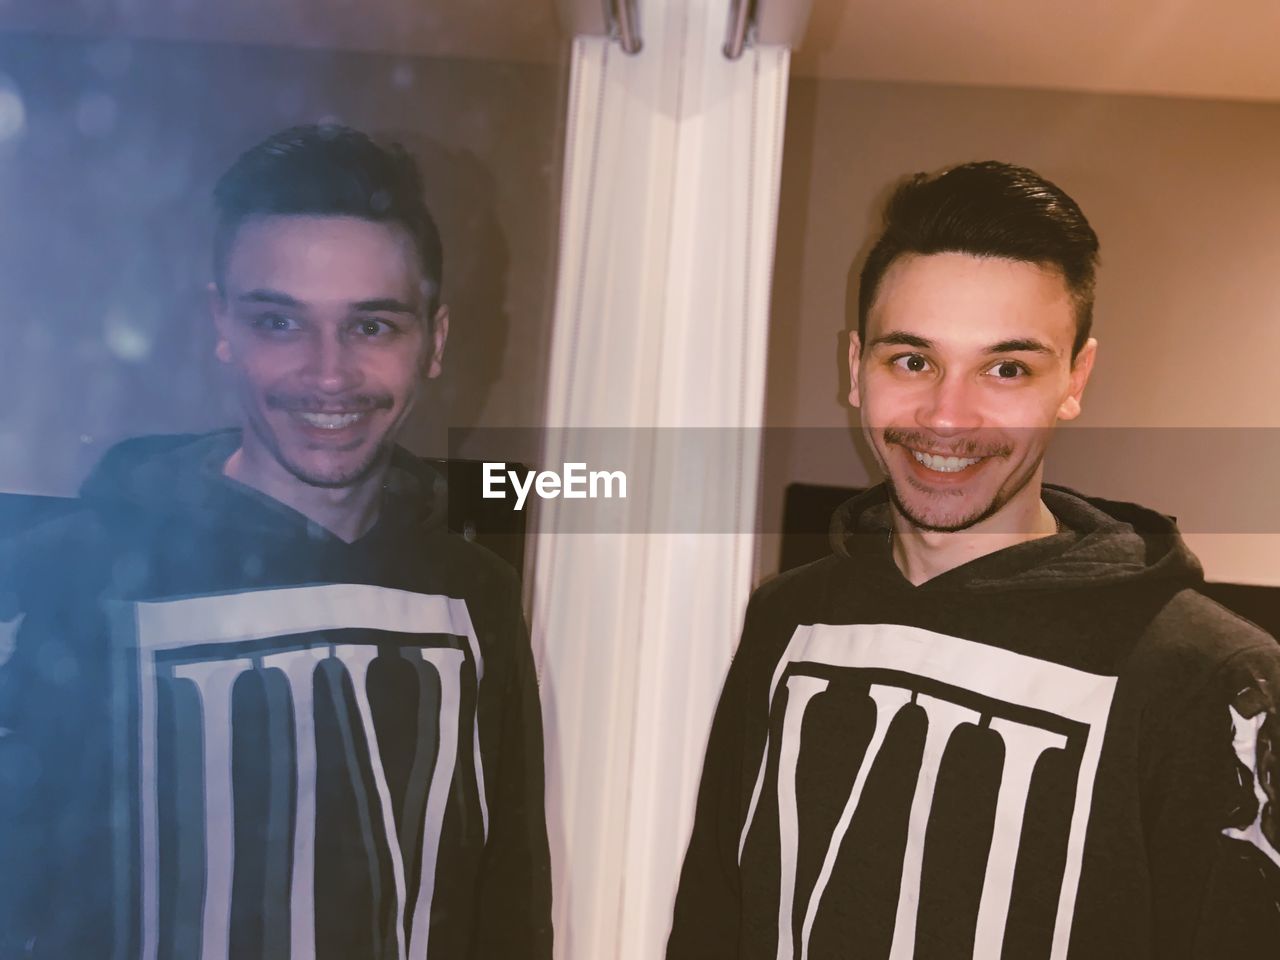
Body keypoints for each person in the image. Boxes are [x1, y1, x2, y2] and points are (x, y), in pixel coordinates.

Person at [667, 161, 1280, 958]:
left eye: (1007, 369)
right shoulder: (788, 618)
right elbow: (716, 914)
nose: (948, 417)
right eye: (912, 360)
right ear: (856, 368)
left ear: (1075, 378)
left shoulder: (1212, 677)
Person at [0, 124, 552, 958]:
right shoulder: (88, 578)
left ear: (433, 342)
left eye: (371, 327)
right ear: (223, 324)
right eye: (280, 323)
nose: (328, 375)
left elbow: (508, 900)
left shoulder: (474, 594)